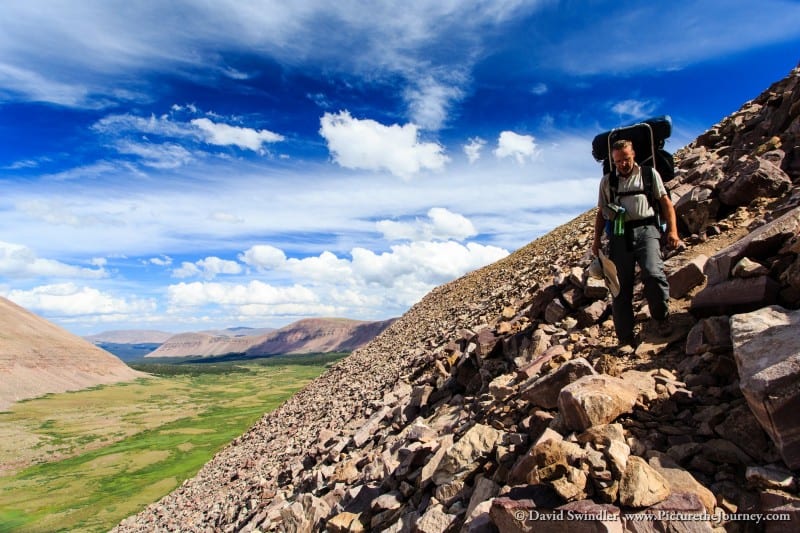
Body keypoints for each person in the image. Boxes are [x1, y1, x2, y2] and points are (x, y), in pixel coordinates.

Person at [591, 139, 682, 349]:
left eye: (626, 159)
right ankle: (625, 337)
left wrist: (673, 231)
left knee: (653, 273)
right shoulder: (607, 182)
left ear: (634, 156)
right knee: (620, 287)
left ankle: (661, 319)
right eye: (618, 161)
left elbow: (665, 202)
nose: (622, 164)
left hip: (647, 230)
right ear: (613, 161)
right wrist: (596, 240)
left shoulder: (649, 175)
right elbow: (601, 212)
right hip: (619, 236)